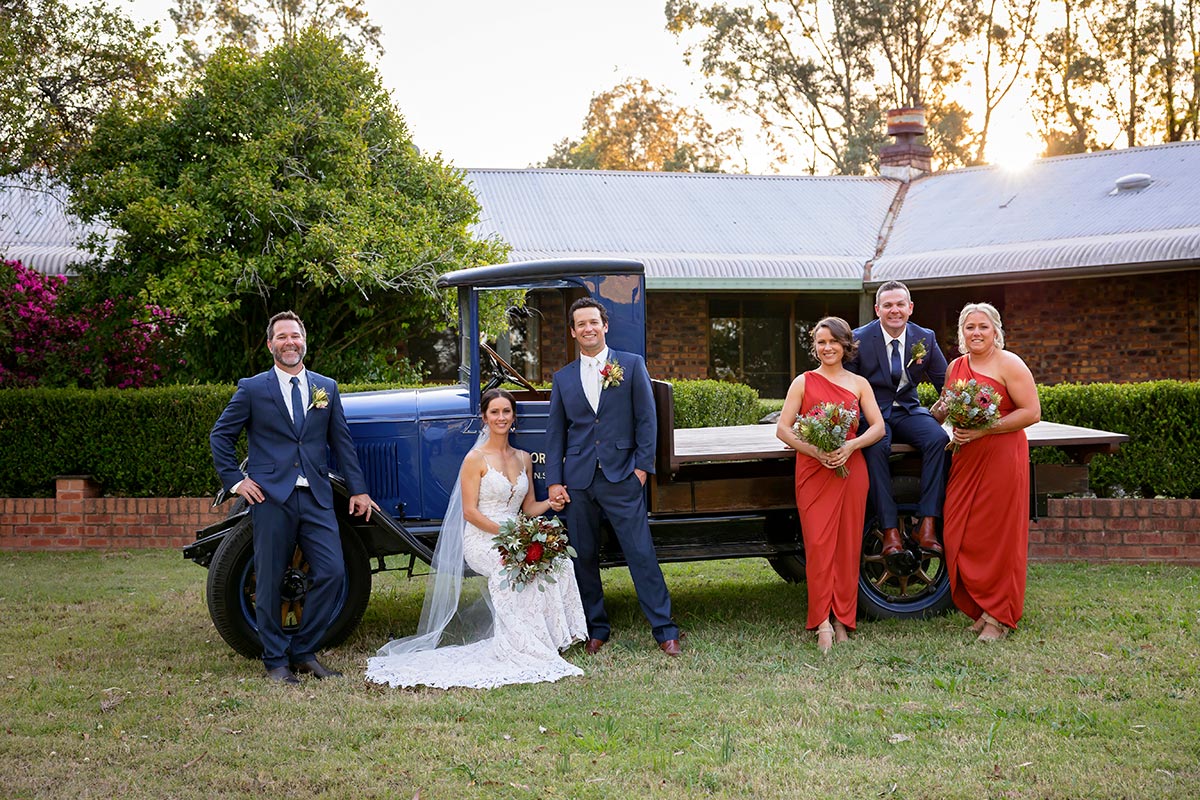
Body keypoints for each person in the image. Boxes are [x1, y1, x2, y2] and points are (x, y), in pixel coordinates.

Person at [366, 388, 587, 689]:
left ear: (513, 417)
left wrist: (552, 503)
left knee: (559, 561)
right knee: (508, 569)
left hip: (516, 533)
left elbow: (529, 508)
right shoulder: (475, 458)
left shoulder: (523, 458)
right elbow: (469, 512)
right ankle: (521, 643)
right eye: (494, 412)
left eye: (506, 412)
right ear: (484, 417)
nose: (501, 417)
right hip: (483, 537)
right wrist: (512, 535)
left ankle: (554, 636)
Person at [210, 311, 378, 685]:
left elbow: (342, 443)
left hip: (317, 495)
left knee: (333, 571)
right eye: (282, 337)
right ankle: (275, 661)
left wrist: (359, 489)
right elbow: (220, 436)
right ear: (270, 344)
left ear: (305, 341)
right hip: (271, 497)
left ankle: (302, 650)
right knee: (269, 579)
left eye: (295, 336)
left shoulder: (325, 388)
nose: (290, 342)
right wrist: (236, 481)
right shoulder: (253, 389)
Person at [544, 297, 681, 656]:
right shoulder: (563, 378)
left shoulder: (632, 366)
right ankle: (596, 627)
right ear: (573, 332)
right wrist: (555, 481)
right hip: (579, 481)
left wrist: (640, 470)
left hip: (622, 477)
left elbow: (646, 422)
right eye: (581, 324)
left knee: (641, 553)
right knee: (583, 556)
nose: (588, 328)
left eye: (594, 322)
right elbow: (556, 433)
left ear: (605, 326)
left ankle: (665, 629)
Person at [777, 317, 884, 653]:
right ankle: (821, 620)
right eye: (821, 342)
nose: (827, 348)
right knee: (820, 546)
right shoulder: (803, 382)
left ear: (845, 345)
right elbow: (783, 429)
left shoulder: (859, 383)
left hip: (851, 470)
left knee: (848, 546)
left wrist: (850, 446)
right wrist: (815, 451)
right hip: (813, 471)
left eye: (833, 342)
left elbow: (878, 427)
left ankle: (843, 619)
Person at [934, 303, 1040, 642]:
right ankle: (981, 605)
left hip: (1002, 455)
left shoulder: (1010, 364)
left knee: (998, 536)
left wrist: (986, 429)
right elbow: (951, 408)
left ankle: (998, 616)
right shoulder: (955, 366)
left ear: (996, 330)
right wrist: (942, 412)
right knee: (959, 532)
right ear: (961, 334)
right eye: (969, 327)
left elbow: (1031, 412)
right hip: (966, 457)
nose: (976, 333)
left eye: (983, 326)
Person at [848, 280, 949, 568]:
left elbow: (947, 384)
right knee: (877, 446)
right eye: (888, 305)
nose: (895, 310)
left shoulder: (925, 338)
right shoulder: (860, 338)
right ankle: (890, 530)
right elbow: (848, 387)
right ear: (877, 309)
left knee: (937, 439)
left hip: (908, 409)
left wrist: (940, 412)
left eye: (900, 304)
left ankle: (927, 524)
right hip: (872, 413)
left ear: (910, 308)